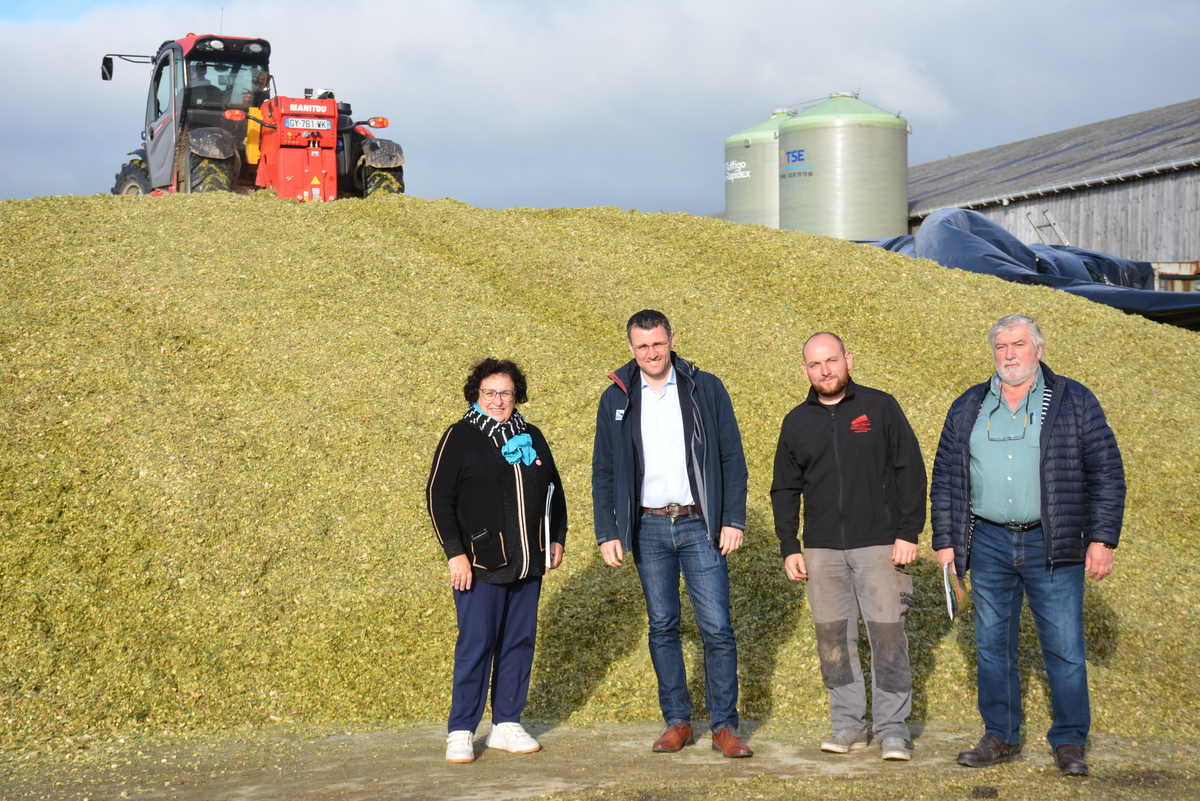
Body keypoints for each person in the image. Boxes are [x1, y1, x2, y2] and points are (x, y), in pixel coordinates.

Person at [931, 314, 1124, 777]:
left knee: (1063, 646)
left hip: (1052, 542)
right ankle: (1002, 735)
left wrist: (1102, 539)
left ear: (1038, 349)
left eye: (1018, 344)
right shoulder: (969, 406)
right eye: (1001, 346)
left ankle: (1070, 740)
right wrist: (945, 542)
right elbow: (945, 479)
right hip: (990, 542)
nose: (1009, 354)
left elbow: (1107, 472)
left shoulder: (1074, 401)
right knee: (993, 646)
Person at [591, 310, 753, 758]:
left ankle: (724, 726)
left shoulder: (705, 388)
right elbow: (604, 470)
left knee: (717, 626)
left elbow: (731, 457)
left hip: (700, 523)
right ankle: (677, 721)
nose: (651, 353)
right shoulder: (617, 397)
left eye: (658, 344)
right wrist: (609, 529)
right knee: (663, 625)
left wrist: (732, 519)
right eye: (642, 346)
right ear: (631, 348)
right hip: (647, 527)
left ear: (672, 339)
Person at [770, 332, 926, 761]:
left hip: (879, 546)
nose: (825, 370)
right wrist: (790, 545)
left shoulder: (880, 407)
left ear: (848, 360)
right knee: (833, 641)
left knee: (888, 638)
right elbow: (784, 489)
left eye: (832, 360)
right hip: (821, 551)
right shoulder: (796, 422)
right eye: (815, 364)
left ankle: (893, 729)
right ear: (804, 370)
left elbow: (909, 470)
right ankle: (848, 726)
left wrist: (909, 532)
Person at [426, 358, 568, 764]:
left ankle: (506, 723)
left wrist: (555, 537)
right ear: (476, 394)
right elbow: (438, 497)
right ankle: (461, 730)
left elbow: (554, 491)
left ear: (516, 395)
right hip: (480, 563)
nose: (498, 400)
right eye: (489, 392)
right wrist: (455, 553)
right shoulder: (460, 436)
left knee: (518, 642)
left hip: (528, 563)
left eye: (505, 392)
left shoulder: (532, 435)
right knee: (477, 645)